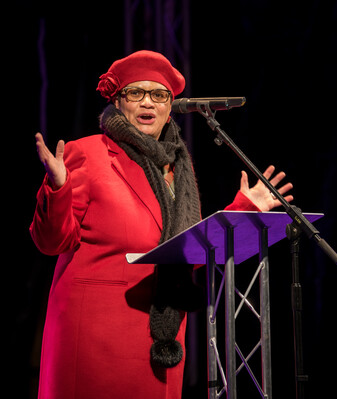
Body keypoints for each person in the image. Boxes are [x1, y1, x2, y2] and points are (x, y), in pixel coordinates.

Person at [30, 50, 293, 399]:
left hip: (157, 338)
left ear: (171, 107)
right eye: (135, 92)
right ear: (118, 101)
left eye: (159, 95)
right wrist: (59, 188)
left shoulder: (176, 170)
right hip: (96, 333)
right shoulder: (90, 153)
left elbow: (188, 249)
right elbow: (51, 242)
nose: (147, 102)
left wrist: (244, 209)